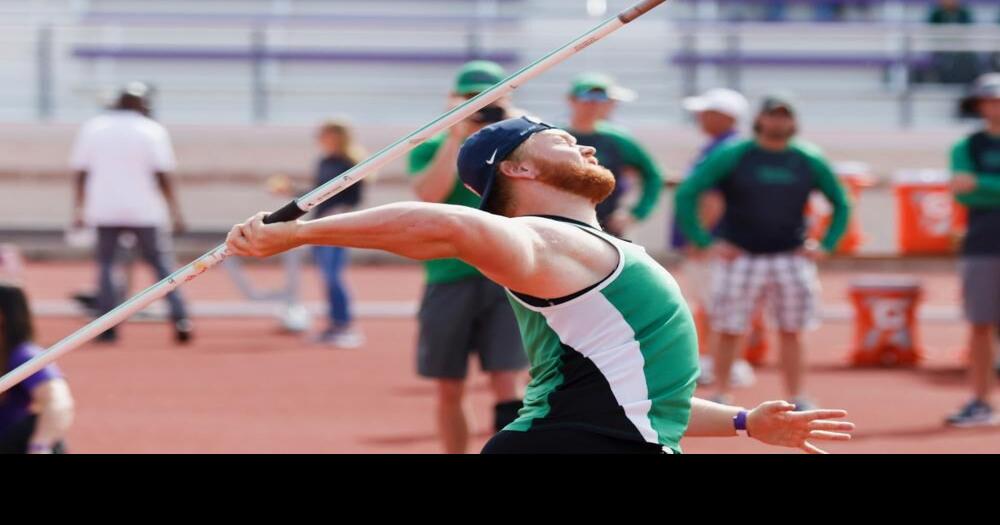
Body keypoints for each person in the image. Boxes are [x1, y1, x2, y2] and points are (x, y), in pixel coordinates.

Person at [227, 116, 855, 454]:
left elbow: (636, 400)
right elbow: (444, 223)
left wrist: (746, 422)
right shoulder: (546, 241)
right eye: (561, 140)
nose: (583, 145)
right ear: (521, 167)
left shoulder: (586, 252)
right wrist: (297, 235)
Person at [676, 95, 852, 411]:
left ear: (794, 122)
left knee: (792, 329)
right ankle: (722, 394)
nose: (778, 122)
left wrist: (827, 244)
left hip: (790, 256)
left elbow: (840, 201)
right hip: (740, 255)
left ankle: (797, 396)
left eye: (785, 116)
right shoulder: (736, 155)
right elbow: (689, 191)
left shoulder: (807, 158)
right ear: (761, 119)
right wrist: (703, 240)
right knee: (728, 326)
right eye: (773, 115)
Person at [406, 61, 529, 453]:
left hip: (506, 275)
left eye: (490, 98)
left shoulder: (523, 143)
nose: (481, 105)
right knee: (448, 385)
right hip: (447, 276)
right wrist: (455, 136)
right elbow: (429, 194)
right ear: (452, 101)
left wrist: (511, 127)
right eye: (470, 98)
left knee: (508, 382)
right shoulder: (429, 145)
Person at [70, 82, 193, 344]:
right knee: (161, 265)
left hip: (105, 208)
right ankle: (180, 317)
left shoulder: (95, 127)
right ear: (140, 105)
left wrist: (78, 208)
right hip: (143, 210)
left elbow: (81, 172)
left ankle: (106, 326)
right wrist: (176, 212)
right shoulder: (151, 130)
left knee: (105, 266)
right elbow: (163, 174)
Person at [673, 88, 759, 388]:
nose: (699, 117)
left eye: (706, 112)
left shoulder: (724, 150)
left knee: (715, 303)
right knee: (714, 302)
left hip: (715, 241)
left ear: (725, 117)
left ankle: (720, 361)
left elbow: (713, 197)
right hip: (717, 239)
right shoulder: (721, 147)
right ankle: (721, 360)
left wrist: (701, 238)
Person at [270, 120, 367, 347]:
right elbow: (315, 194)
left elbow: (353, 197)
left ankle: (344, 324)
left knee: (333, 275)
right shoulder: (324, 161)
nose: (319, 138)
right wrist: (291, 191)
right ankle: (335, 323)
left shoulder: (350, 162)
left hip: (339, 225)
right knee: (327, 276)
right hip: (321, 224)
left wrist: (340, 210)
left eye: (323, 134)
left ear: (336, 135)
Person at [947, 73, 1000, 427]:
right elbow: (960, 191)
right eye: (988, 100)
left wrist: (981, 183)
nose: (994, 106)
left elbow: (971, 186)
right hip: (982, 242)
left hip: (982, 239)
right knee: (980, 324)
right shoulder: (965, 146)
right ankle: (980, 401)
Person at [564, 73, 664, 238]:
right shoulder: (554, 136)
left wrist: (635, 213)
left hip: (606, 225)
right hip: (560, 222)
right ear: (572, 100)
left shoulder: (618, 139)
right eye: (588, 98)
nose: (594, 105)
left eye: (601, 99)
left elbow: (652, 175)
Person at [0, 283, 75, 454]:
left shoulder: (24, 354)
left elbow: (58, 401)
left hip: (8, 443)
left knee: (36, 427)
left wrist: (40, 446)